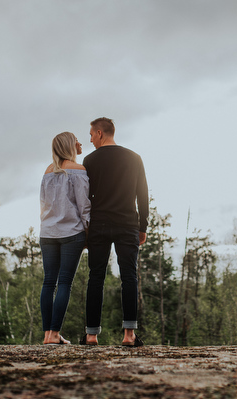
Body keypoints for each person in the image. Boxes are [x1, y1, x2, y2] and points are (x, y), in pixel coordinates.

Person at [81, 117, 148, 347]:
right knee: (129, 277)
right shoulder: (134, 158)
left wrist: (85, 229)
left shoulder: (89, 160)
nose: (90, 139)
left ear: (100, 133)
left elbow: (85, 198)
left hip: (98, 224)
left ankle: (91, 335)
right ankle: (129, 336)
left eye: (91, 135)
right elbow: (142, 195)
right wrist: (143, 227)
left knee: (96, 277)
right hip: (127, 223)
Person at [39, 132, 90, 345]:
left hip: (47, 233)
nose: (80, 143)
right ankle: (54, 333)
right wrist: (89, 232)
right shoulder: (79, 171)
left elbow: (42, 203)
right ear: (70, 145)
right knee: (65, 283)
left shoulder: (47, 171)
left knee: (49, 282)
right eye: (76, 139)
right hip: (71, 234)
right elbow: (84, 206)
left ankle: (47, 335)